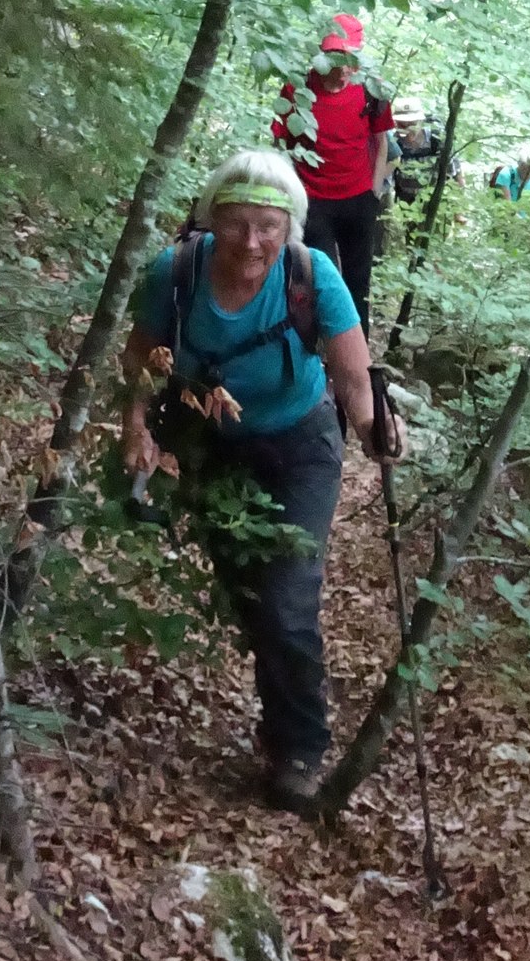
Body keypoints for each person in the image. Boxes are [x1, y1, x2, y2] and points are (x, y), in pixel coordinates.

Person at [120, 149, 399, 811]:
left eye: (268, 226)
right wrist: (136, 426)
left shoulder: (312, 275)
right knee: (252, 595)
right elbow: (139, 361)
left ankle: (299, 749)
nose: (253, 241)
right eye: (239, 223)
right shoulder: (177, 271)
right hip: (212, 448)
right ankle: (279, 718)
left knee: (286, 599)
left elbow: (353, 377)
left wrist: (371, 429)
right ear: (213, 219)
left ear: (290, 227)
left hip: (300, 445)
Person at [271, 12, 394, 336]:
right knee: (319, 279)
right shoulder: (297, 88)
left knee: (358, 282)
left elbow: (381, 143)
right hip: (313, 200)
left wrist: (374, 191)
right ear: (322, 55)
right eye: (335, 59)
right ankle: (313, 346)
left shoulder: (372, 90)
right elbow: (280, 142)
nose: (342, 70)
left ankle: (358, 362)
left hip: (359, 199)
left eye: (349, 60)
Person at [390, 94, 440, 206]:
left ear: (421, 121)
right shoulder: (394, 144)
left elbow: (454, 173)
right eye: (402, 124)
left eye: (412, 123)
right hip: (405, 206)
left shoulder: (436, 141)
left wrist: (458, 213)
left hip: (434, 204)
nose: (407, 128)